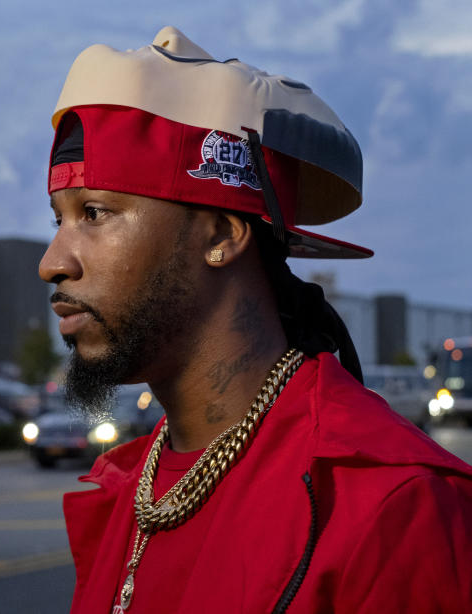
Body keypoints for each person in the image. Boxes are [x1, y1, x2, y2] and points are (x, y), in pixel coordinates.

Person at [39, 26, 472, 613]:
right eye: (58, 220)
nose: (52, 263)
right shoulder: (129, 486)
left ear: (220, 235)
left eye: (95, 212)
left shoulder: (389, 505)